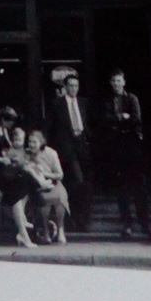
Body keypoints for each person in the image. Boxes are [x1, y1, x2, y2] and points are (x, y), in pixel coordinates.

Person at [101, 68, 151, 241]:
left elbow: (136, 119)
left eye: (119, 81)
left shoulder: (132, 98)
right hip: (117, 148)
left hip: (132, 147)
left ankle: (145, 223)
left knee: (139, 187)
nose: (117, 84)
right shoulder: (108, 101)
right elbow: (105, 119)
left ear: (124, 82)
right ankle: (127, 225)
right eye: (114, 81)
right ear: (111, 84)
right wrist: (121, 118)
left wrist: (121, 120)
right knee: (122, 188)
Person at [0, 106, 39, 248]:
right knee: (16, 194)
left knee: (28, 179)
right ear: (3, 119)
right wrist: (0, 159)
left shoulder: (4, 129)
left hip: (5, 168)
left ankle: (21, 224)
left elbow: (10, 149)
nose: (11, 126)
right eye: (10, 122)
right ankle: (23, 234)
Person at [45, 72, 92, 231]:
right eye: (70, 86)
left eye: (76, 86)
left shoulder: (83, 102)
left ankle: (81, 220)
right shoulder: (57, 104)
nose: (73, 89)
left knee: (84, 184)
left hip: (83, 148)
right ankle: (75, 219)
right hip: (66, 148)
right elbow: (48, 127)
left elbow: (88, 123)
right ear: (65, 87)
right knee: (78, 182)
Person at [25, 129, 70, 244]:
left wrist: (45, 174)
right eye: (30, 142)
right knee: (44, 200)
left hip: (53, 183)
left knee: (60, 197)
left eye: (34, 142)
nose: (32, 145)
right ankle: (46, 232)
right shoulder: (26, 154)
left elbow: (60, 175)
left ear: (41, 142)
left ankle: (60, 230)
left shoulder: (51, 153)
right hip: (37, 186)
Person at [7, 127, 54, 191]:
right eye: (15, 140)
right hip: (17, 171)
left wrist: (37, 164)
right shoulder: (11, 151)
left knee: (37, 167)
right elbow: (14, 163)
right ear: (12, 141)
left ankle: (43, 181)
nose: (17, 143)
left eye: (20, 140)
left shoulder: (24, 150)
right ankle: (41, 183)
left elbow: (30, 158)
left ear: (23, 140)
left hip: (24, 168)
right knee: (30, 169)